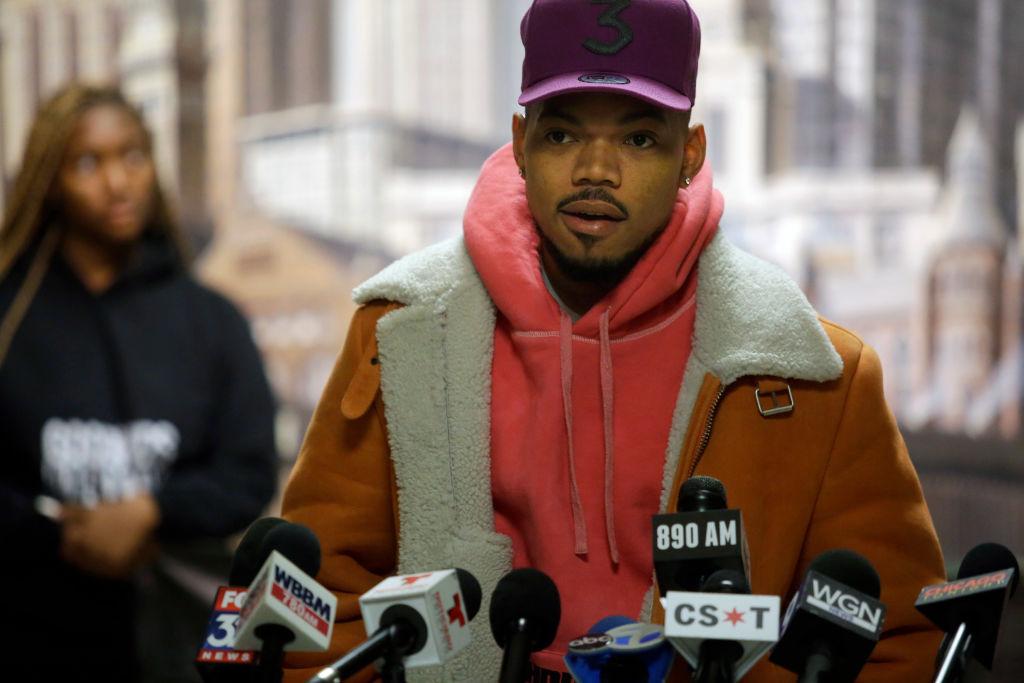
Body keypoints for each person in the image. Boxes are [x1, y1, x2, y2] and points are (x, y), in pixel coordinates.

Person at [281, 1, 945, 681]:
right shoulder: (399, 331)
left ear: (690, 154)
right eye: (564, 135)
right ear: (520, 140)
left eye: (638, 140)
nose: (596, 170)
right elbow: (318, 600)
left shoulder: (816, 374)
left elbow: (897, 637)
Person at [0, 84, 277, 681]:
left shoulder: (212, 321)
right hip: (29, 633)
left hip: (180, 644)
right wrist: (60, 532)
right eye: (87, 163)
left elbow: (249, 471)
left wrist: (152, 512)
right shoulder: (9, 316)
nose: (118, 183)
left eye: (132, 155)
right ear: (49, 180)